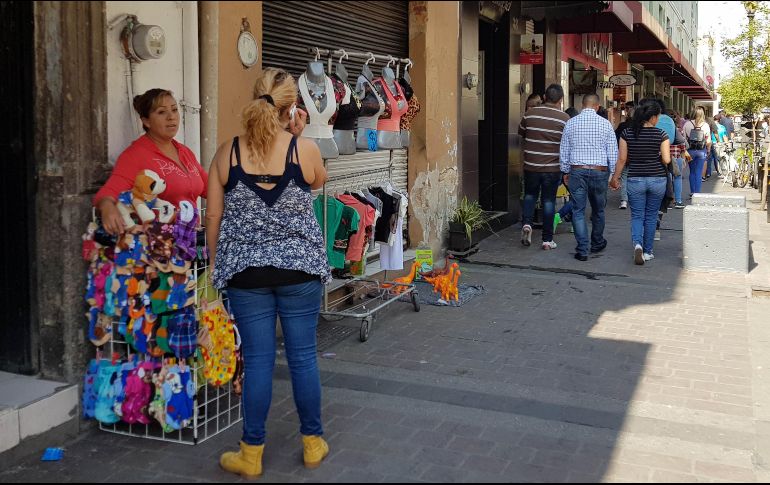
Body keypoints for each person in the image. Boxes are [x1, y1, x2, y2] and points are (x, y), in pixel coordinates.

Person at [207, 68, 330, 479]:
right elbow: (318, 181)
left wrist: (216, 265)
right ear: (290, 107)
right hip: (299, 271)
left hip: (246, 274)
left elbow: (213, 216)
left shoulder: (227, 153)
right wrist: (297, 134)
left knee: (258, 362)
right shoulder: (304, 150)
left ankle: (251, 452)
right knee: (302, 358)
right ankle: (312, 443)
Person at [94, 89, 209, 233]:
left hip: (190, 238)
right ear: (146, 121)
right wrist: (107, 207)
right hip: (158, 241)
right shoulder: (135, 155)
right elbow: (108, 192)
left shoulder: (184, 152)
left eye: (174, 110)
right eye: (162, 112)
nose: (171, 117)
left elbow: (209, 187)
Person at [610, 98, 671, 265]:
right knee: (651, 216)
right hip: (657, 179)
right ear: (653, 117)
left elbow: (622, 159)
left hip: (635, 178)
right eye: (658, 116)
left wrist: (615, 178)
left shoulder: (627, 133)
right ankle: (648, 251)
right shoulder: (661, 134)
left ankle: (637, 244)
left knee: (637, 215)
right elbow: (666, 160)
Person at [560, 94, 618, 262]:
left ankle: (582, 249)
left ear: (582, 105)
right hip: (600, 172)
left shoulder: (571, 123)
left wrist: (565, 171)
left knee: (578, 211)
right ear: (597, 106)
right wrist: (614, 176)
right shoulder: (606, 124)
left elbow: (564, 150)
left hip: (577, 171)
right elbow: (613, 152)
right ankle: (597, 242)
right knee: (598, 210)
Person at [518, 84, 570, 250]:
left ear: (545, 97)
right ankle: (547, 240)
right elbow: (567, 143)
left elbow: (521, 134)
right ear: (560, 100)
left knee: (530, 196)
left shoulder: (529, 114)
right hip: (552, 169)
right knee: (548, 201)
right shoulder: (564, 119)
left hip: (531, 165)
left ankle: (527, 224)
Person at [683, 107, 712, 197]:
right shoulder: (705, 125)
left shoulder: (687, 124)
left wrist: (684, 151)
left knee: (692, 171)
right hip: (701, 151)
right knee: (699, 172)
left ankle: (692, 192)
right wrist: (708, 150)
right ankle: (697, 193)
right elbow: (708, 141)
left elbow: (683, 139)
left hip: (689, 152)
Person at [614, 103, 635, 210]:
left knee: (624, 177)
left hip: (625, 156)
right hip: (636, 157)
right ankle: (635, 198)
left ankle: (624, 201)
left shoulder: (622, 126)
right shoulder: (640, 127)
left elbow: (615, 139)